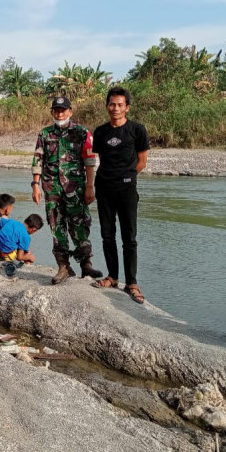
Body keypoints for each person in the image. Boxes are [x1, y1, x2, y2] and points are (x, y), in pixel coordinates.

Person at [32, 96, 102, 285]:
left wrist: (90, 186)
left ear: (70, 111)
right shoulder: (45, 134)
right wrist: (35, 185)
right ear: (52, 112)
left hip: (76, 188)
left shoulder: (82, 133)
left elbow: (89, 161)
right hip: (52, 187)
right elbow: (38, 159)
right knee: (57, 226)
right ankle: (63, 266)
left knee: (80, 224)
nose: (60, 113)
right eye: (56, 110)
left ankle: (86, 264)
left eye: (63, 110)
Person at [91, 87, 150, 304]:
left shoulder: (137, 130)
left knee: (129, 238)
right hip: (104, 188)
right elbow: (98, 159)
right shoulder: (100, 132)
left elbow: (142, 161)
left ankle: (132, 282)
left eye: (120, 104)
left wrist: (127, 177)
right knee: (107, 235)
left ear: (127, 107)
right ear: (107, 106)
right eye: (112, 104)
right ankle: (113, 277)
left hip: (126, 190)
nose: (115, 108)